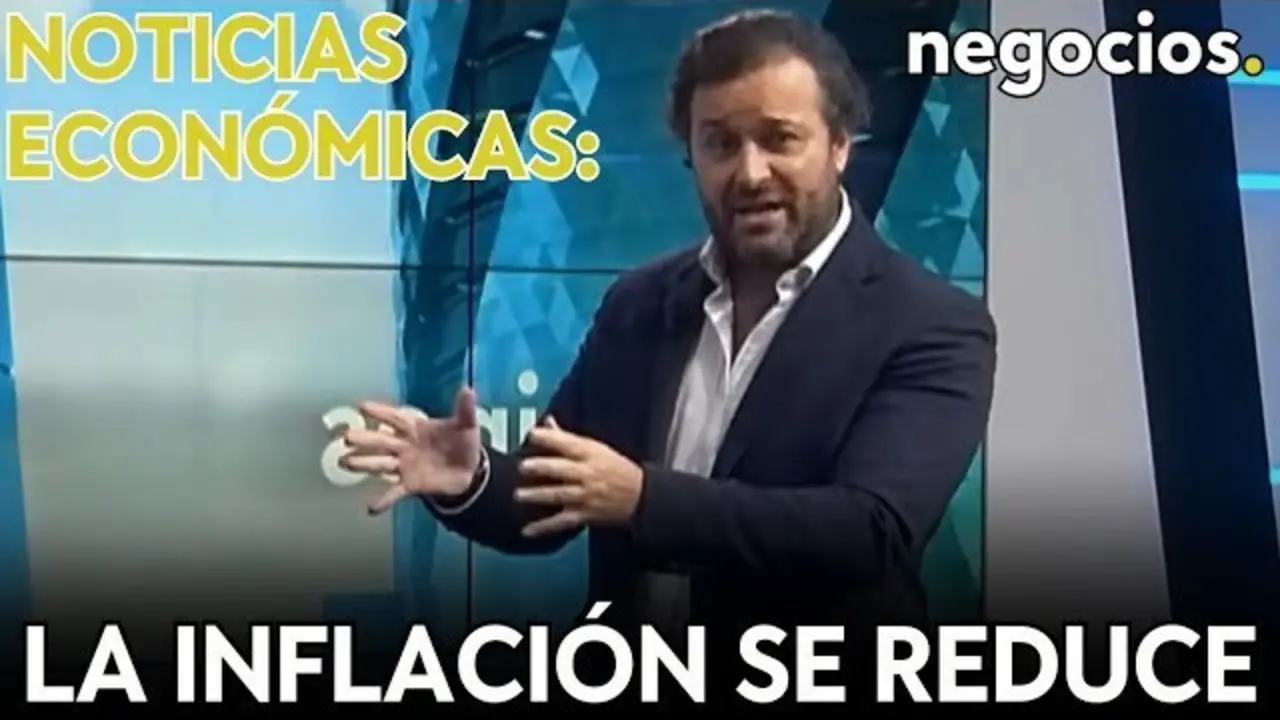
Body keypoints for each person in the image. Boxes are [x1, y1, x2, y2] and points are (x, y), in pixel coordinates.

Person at [342, 7, 995, 691]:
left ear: (839, 145)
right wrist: (470, 479)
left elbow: (869, 533)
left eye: (780, 139)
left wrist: (642, 499)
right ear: (692, 156)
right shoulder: (640, 303)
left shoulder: (932, 325)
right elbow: (553, 496)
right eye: (720, 144)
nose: (750, 172)